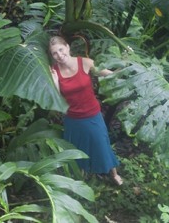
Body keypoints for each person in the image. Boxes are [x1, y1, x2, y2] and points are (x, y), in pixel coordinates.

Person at [48, 35, 123, 186]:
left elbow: (106, 74)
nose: (59, 55)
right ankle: (80, 176)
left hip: (92, 115)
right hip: (72, 118)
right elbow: (56, 99)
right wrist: (55, 82)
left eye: (61, 50)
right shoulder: (55, 71)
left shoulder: (85, 63)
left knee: (102, 144)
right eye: (54, 53)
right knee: (76, 148)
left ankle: (114, 173)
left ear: (68, 47)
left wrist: (122, 69)